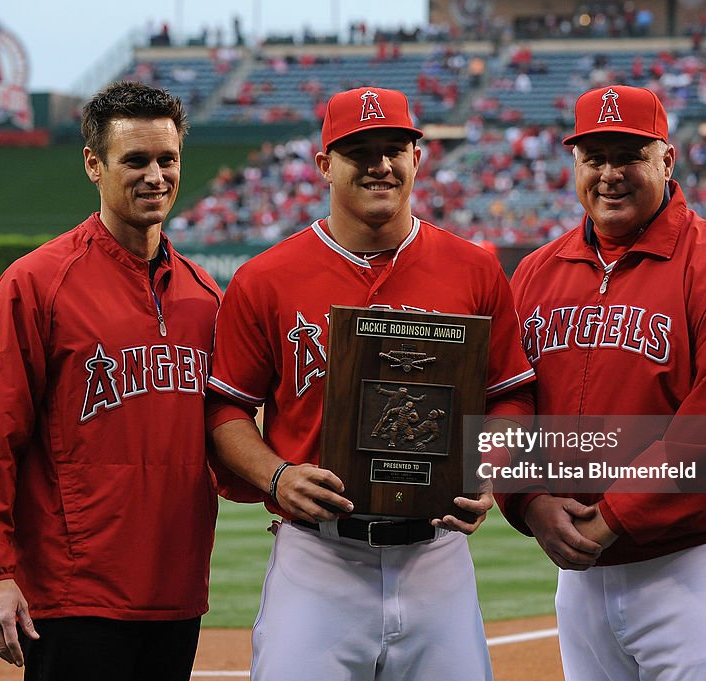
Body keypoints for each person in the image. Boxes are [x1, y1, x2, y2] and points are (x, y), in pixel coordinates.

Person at [206, 86, 536, 680]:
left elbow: (510, 395)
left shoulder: (474, 268)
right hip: (319, 554)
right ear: (325, 164)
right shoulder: (266, 279)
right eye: (359, 150)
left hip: (436, 554)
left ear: (418, 157)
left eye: (395, 147)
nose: (380, 164)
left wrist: (486, 462)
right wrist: (276, 477)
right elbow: (225, 411)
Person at [0, 81, 222, 681]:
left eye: (167, 159)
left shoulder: (204, 295)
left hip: (177, 591)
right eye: (135, 160)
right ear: (94, 164)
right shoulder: (38, 282)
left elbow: (228, 432)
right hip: (74, 593)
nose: (155, 175)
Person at [506, 84, 706, 680]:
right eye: (594, 157)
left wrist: (608, 521)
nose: (610, 175)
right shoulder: (535, 273)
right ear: (575, 163)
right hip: (582, 574)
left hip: (698, 566)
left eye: (628, 156)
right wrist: (527, 500)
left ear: (665, 159)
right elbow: (506, 399)